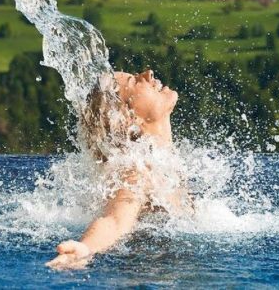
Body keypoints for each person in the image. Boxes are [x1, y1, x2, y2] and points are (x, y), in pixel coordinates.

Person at [46, 69, 191, 270]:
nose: (148, 74)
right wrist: (86, 248)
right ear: (129, 118)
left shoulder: (160, 165)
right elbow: (114, 219)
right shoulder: (138, 172)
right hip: (153, 267)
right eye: (134, 81)